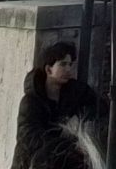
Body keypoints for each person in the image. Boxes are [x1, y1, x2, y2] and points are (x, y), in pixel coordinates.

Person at [15, 41, 104, 169]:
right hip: (33, 163)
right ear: (49, 69)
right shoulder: (30, 102)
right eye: (63, 64)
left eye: (70, 64)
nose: (68, 69)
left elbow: (100, 106)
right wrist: (66, 141)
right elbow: (30, 138)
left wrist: (79, 120)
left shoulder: (75, 91)